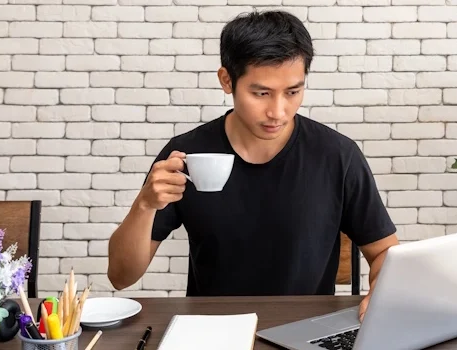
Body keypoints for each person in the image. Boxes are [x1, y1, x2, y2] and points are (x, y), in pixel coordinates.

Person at [106, 10, 399, 322]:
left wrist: (381, 292)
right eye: (261, 93)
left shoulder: (337, 155)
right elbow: (121, 277)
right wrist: (145, 205)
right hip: (212, 330)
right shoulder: (187, 155)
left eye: (293, 92)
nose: (278, 111)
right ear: (226, 80)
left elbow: (384, 252)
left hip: (304, 329)